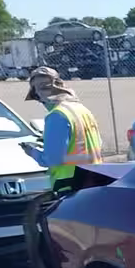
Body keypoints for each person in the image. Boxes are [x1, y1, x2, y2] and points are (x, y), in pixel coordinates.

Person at [20, 66, 104, 194]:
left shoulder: (56, 116)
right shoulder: (81, 109)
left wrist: (31, 151)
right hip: (95, 180)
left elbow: (52, 160)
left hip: (69, 185)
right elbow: (92, 143)